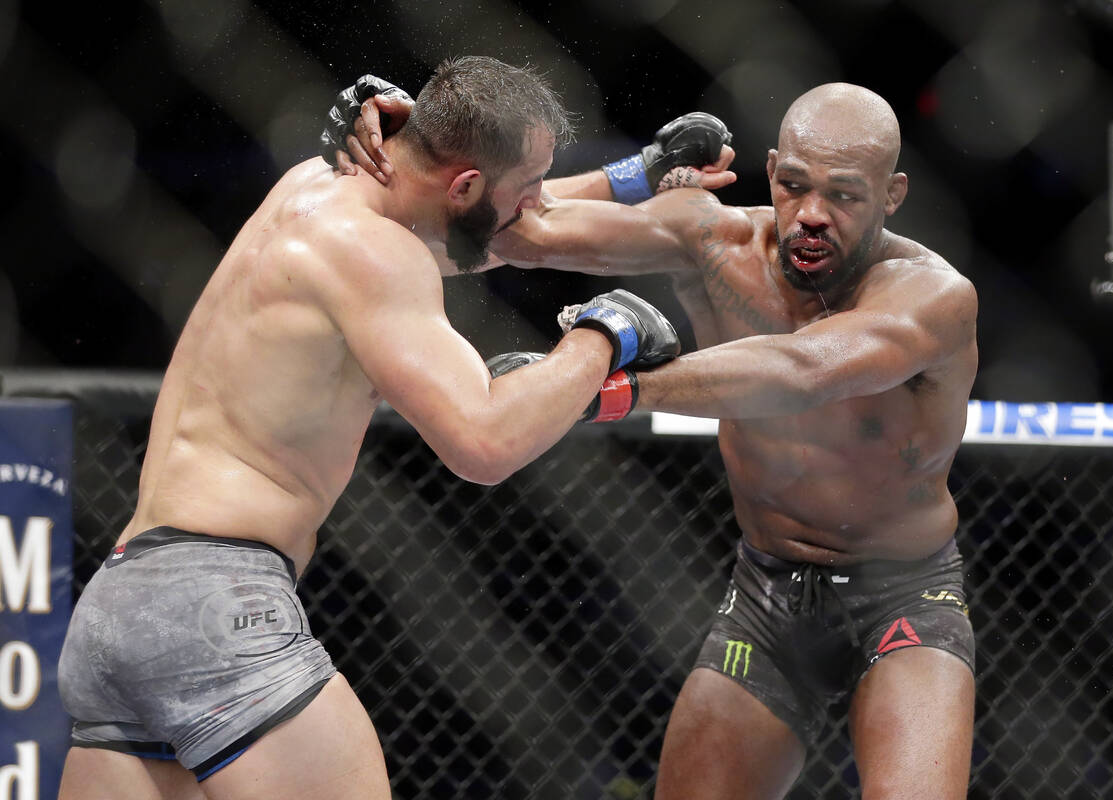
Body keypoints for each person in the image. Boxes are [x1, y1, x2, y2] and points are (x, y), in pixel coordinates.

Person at [54, 56, 685, 800]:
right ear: (466, 186)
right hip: (217, 610)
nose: (539, 208)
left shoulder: (309, 190)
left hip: (119, 609)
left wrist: (634, 178)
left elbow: (487, 225)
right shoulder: (382, 257)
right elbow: (483, 442)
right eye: (530, 188)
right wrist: (603, 334)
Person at [339, 79, 979, 799]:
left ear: (891, 195)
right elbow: (522, 233)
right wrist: (412, 152)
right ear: (770, 171)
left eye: (845, 196)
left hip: (902, 596)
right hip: (765, 594)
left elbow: (803, 368)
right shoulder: (714, 240)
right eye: (795, 187)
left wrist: (610, 389)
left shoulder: (933, 295)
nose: (812, 216)